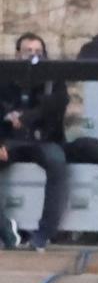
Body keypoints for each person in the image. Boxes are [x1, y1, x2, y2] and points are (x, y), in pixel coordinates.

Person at [0, 33, 70, 249]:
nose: (33, 56)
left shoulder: (53, 78)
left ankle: (44, 233)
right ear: (17, 54)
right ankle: (5, 229)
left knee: (57, 162)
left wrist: (26, 118)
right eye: (28, 52)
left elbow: (58, 104)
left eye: (38, 52)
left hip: (43, 140)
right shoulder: (4, 78)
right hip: (10, 140)